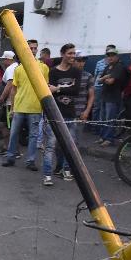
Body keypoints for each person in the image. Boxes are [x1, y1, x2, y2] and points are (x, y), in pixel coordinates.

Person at [1, 40, 49, 169]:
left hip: (35, 108)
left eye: (35, 48)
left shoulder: (43, 68)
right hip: (19, 107)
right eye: (30, 48)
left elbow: (45, 88)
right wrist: (12, 108)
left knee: (33, 136)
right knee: (14, 133)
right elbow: (14, 89)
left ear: (37, 50)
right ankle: (10, 157)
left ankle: (30, 161)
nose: (33, 50)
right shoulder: (19, 69)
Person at [44, 43, 80, 184]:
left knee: (70, 145)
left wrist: (58, 89)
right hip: (54, 113)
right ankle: (47, 174)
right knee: (51, 145)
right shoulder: (53, 72)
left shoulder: (76, 71)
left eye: (73, 53)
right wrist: (62, 89)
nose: (72, 56)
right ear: (63, 54)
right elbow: (49, 90)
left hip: (70, 113)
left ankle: (66, 170)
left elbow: (76, 91)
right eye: (70, 53)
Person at [95, 45, 129, 145]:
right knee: (103, 119)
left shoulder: (119, 67)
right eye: (108, 55)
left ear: (117, 57)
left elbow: (110, 81)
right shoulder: (107, 67)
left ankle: (109, 139)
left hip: (113, 97)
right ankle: (102, 137)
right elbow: (99, 80)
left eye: (113, 55)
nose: (110, 57)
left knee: (110, 119)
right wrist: (106, 77)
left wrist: (105, 78)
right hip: (104, 96)